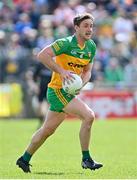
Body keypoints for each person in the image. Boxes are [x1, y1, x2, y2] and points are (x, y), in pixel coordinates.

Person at [16, 13, 103, 173]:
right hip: (57, 90)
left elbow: (88, 71)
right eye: (85, 26)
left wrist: (82, 84)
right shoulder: (65, 43)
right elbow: (42, 55)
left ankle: (24, 159)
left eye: (91, 26)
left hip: (68, 93)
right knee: (89, 116)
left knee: (47, 131)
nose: (89, 29)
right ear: (76, 28)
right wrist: (61, 71)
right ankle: (86, 159)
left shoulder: (91, 46)